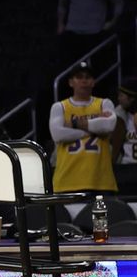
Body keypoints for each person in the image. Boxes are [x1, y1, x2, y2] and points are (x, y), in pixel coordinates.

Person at [50, 63, 118, 194]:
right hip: (67, 182)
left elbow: (109, 125)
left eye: (88, 77)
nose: (84, 80)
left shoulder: (104, 103)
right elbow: (58, 135)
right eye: (79, 77)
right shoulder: (60, 107)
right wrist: (94, 128)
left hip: (101, 182)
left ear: (93, 82)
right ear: (71, 82)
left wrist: (74, 123)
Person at [112, 76, 137, 165]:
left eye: (121, 95)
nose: (118, 98)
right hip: (125, 168)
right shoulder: (120, 115)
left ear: (132, 98)